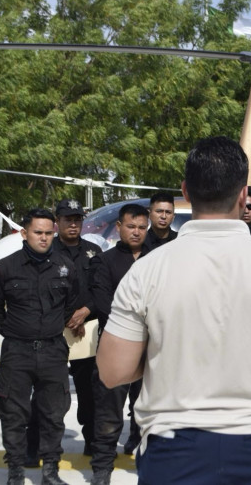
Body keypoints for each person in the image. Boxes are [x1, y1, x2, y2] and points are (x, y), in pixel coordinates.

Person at [96, 136, 251, 484]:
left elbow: (112, 371)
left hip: (173, 448)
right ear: (243, 194)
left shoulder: (147, 269)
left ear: (185, 192)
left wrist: (160, 356)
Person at [0, 208, 79, 485]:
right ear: (24, 234)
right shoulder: (5, 267)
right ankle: (15, 471)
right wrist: (15, 333)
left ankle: (50, 471)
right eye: (38, 232)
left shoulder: (65, 267)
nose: (44, 238)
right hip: (17, 352)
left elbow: (70, 304)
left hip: (53, 350)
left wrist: (50, 328)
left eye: (49, 233)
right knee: (13, 412)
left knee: (54, 413)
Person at [88, 203, 151, 485]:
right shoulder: (104, 262)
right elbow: (104, 304)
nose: (136, 232)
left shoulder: (158, 259)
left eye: (141, 227)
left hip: (153, 349)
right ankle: (102, 469)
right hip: (117, 347)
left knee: (151, 413)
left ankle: (151, 466)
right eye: (131, 226)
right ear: (119, 227)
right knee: (108, 413)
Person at [54, 199, 103, 456]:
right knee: (51, 391)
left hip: (87, 333)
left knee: (89, 391)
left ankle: (92, 440)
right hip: (54, 332)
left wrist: (84, 312)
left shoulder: (93, 251)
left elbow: (102, 289)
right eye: (68, 219)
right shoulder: (47, 250)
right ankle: (45, 443)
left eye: (77, 219)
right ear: (57, 221)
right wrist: (68, 317)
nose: (73, 224)